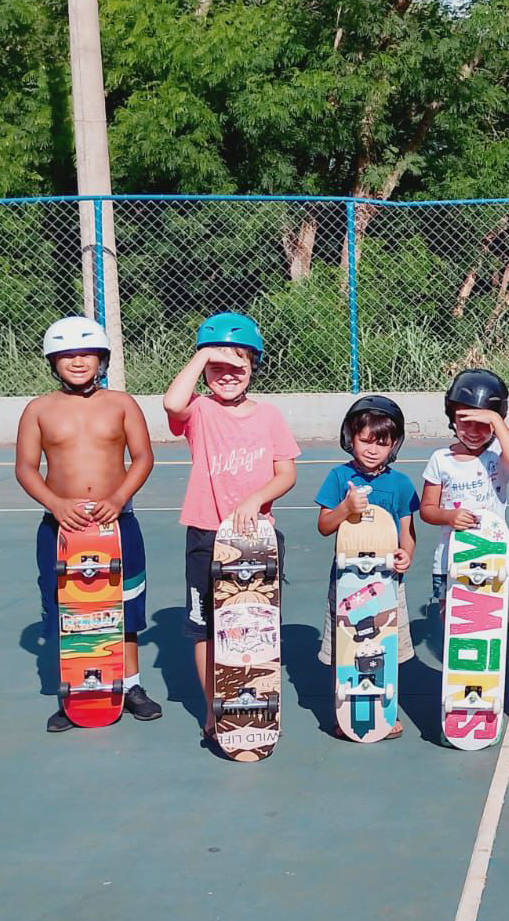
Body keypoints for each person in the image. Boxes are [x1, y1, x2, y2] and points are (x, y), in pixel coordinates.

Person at [16, 316, 161, 731]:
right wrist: (56, 504)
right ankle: (76, 691)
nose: (77, 362)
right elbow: (26, 468)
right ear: (52, 362)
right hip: (60, 530)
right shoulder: (39, 409)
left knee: (125, 608)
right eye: (66, 356)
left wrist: (118, 498)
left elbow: (144, 457)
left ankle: (130, 685)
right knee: (71, 611)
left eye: (85, 354)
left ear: (101, 359)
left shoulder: (122, 403)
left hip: (118, 526)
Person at [162, 312, 300, 742]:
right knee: (205, 626)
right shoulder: (199, 410)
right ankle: (214, 707)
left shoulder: (270, 416)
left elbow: (286, 473)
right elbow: (171, 403)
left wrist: (255, 499)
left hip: (255, 538)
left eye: (237, 366)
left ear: (253, 366)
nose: (227, 376)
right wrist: (205, 353)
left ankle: (255, 698)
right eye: (217, 369)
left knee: (254, 624)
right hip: (205, 533)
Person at [314, 394, 418, 738]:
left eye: (382, 443)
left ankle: (383, 709)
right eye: (365, 440)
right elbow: (325, 525)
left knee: (383, 644)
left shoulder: (400, 484)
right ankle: (346, 711)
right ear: (350, 438)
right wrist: (345, 507)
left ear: (394, 445)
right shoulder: (338, 477)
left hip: (388, 584)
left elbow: (407, 530)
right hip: (347, 582)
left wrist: (406, 555)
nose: (373, 449)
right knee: (349, 645)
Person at [419, 369, 509, 617]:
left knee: (490, 622)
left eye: (483, 424)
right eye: (466, 422)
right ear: (452, 419)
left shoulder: (498, 454)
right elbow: (427, 509)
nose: (474, 431)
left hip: (493, 554)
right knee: (454, 623)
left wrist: (496, 420)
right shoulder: (441, 459)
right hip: (451, 559)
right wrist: (448, 517)